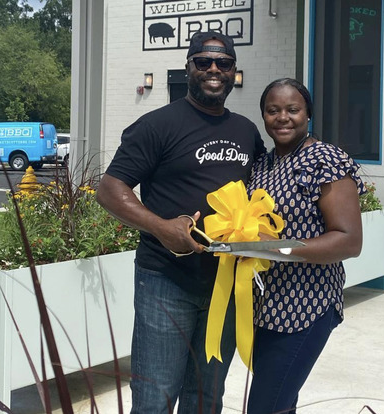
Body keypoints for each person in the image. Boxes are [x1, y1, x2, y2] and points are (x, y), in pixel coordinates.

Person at [96, 31, 265, 414]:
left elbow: (261, 191)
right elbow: (109, 189)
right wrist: (161, 226)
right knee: (155, 400)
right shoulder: (157, 125)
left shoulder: (246, 130)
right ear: (188, 67)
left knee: (206, 398)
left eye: (223, 63)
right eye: (203, 61)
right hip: (165, 281)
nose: (213, 70)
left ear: (234, 71)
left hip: (226, 282)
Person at [246, 78, 366, 414]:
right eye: (273, 110)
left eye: (292, 109)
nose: (282, 117)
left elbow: (349, 240)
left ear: (308, 114)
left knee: (265, 406)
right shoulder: (263, 165)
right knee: (281, 402)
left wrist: (278, 248)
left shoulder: (324, 159)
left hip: (307, 305)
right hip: (264, 306)